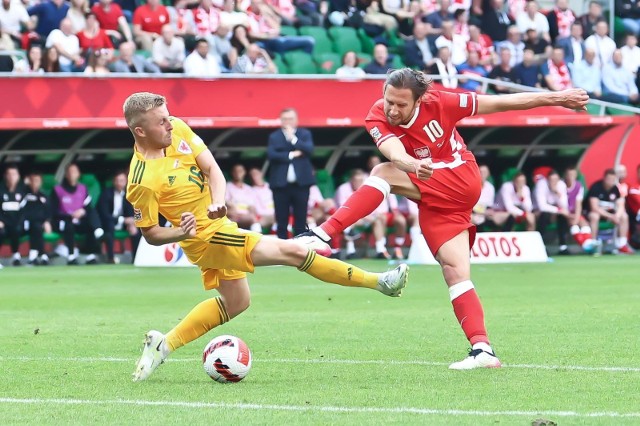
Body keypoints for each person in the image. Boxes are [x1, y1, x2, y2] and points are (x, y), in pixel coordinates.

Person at [296, 68, 589, 369]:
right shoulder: (376, 115)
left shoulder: (443, 102)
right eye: (389, 101)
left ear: (420, 100)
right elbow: (393, 152)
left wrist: (558, 97)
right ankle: (483, 350)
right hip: (437, 199)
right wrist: (411, 164)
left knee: (382, 174)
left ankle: (321, 235)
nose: (393, 110)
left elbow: (501, 103)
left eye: (401, 104)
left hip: (460, 176)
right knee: (455, 272)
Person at [122, 92, 409, 381]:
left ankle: (164, 345)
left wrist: (217, 201)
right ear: (140, 131)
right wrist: (180, 232)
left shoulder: (177, 128)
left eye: (168, 117)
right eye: (161, 122)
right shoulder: (142, 179)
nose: (169, 124)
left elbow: (212, 169)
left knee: (237, 302)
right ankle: (379, 282)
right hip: (206, 240)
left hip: (220, 225)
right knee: (294, 253)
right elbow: (150, 233)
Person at [267, 108, 315, 239]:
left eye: (290, 119)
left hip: (301, 185)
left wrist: (293, 139)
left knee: (301, 218)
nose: (287, 122)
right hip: (281, 185)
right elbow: (272, 155)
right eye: (285, 119)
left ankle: (300, 247)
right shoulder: (274, 136)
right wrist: (292, 154)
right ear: (281, 120)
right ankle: (282, 250)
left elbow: (309, 149)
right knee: (281, 219)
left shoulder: (304, 134)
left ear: (296, 120)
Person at [51, 163, 104, 265]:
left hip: (79, 220)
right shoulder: (57, 190)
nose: (72, 174)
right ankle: (71, 256)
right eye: (70, 172)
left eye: (74, 172)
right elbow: (54, 211)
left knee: (89, 224)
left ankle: (90, 255)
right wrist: (69, 215)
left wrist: (83, 211)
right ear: (66, 174)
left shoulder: (83, 189)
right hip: (63, 221)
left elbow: (88, 207)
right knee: (69, 226)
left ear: (78, 174)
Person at [585, 168, 634, 254]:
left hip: (610, 215)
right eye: (609, 179)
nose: (610, 181)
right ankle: (593, 244)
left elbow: (621, 204)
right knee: (594, 216)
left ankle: (622, 244)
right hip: (596, 214)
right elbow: (594, 207)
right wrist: (611, 216)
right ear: (604, 178)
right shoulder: (596, 187)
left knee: (624, 216)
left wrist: (617, 216)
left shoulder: (615, 189)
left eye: (613, 179)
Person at [97, 170, 140, 264]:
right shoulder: (106, 193)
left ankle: (136, 258)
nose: (120, 183)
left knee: (135, 229)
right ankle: (111, 258)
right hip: (109, 222)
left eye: (122, 180)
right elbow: (104, 214)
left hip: (123, 224)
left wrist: (132, 222)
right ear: (114, 182)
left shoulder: (129, 195)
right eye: (117, 180)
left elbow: (132, 212)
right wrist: (122, 220)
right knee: (110, 227)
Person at [533, 170, 570, 254]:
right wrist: (559, 210)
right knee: (544, 215)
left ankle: (563, 247)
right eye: (551, 180)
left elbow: (564, 205)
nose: (553, 182)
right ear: (547, 179)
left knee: (563, 217)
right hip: (538, 212)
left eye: (555, 180)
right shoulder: (541, 185)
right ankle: (541, 246)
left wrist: (556, 192)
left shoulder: (561, 185)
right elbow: (542, 207)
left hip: (554, 212)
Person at [21, 171, 52, 265]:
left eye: (37, 181)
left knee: (37, 227)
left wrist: (47, 221)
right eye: (33, 180)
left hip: (38, 225)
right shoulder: (23, 194)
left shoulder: (43, 196)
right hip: (23, 224)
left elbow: (48, 211)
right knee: (36, 226)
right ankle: (42, 255)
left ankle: (33, 256)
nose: (35, 183)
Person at [0, 164, 25, 266]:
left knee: (17, 229)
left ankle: (16, 257)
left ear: (18, 176)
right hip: (3, 223)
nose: (11, 177)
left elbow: (25, 210)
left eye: (14, 174)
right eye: (9, 174)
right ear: (5, 176)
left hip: (17, 223)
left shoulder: (23, 191)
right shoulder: (1, 191)